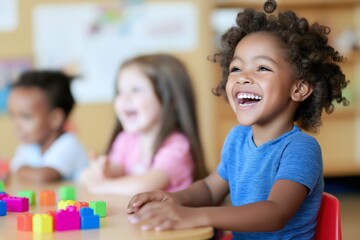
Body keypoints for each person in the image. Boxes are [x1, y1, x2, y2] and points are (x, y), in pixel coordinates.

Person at [126, 9, 350, 239]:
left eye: (262, 68)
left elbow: (276, 212)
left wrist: (196, 216)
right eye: (236, 68)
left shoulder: (300, 148)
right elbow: (210, 189)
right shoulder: (238, 138)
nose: (243, 77)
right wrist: (174, 198)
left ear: (299, 89)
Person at [80, 54, 207, 196]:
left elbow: (145, 186)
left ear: (169, 99)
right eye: (120, 91)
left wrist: (102, 186)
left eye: (135, 90)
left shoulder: (177, 146)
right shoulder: (125, 139)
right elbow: (117, 168)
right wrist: (102, 170)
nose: (124, 98)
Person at [7, 70, 88, 183]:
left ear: (55, 119)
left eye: (25, 117)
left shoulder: (68, 144)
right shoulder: (27, 146)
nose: (16, 125)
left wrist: (19, 170)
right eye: (12, 116)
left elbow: (43, 177)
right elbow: (12, 172)